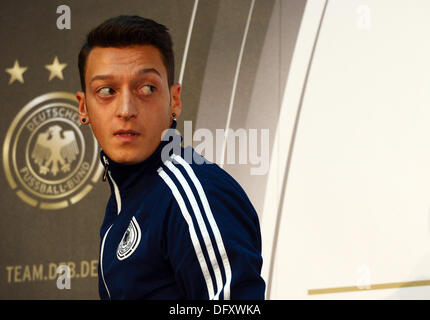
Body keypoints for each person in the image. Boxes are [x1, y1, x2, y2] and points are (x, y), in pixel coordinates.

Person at [76, 15, 265, 300]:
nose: (126, 109)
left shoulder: (193, 190)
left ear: (174, 100)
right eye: (106, 91)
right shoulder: (125, 201)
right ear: (84, 108)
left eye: (147, 88)